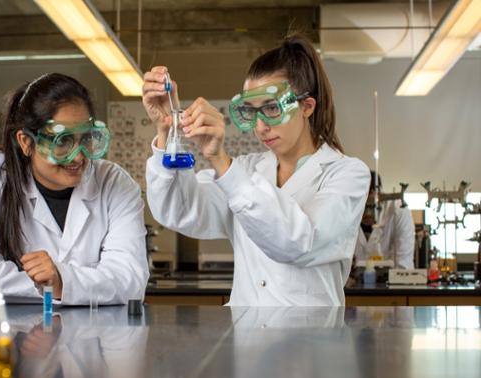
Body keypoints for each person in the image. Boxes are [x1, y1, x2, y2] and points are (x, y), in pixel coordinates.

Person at [142, 35, 370, 306]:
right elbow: (179, 211)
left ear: (307, 107)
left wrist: (222, 161)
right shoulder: (247, 169)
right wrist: (170, 127)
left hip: (312, 341)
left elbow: (298, 243)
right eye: (251, 112)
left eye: (272, 108)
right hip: (247, 338)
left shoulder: (347, 174)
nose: (260, 126)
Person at [0, 73, 149, 305]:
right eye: (62, 141)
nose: (78, 156)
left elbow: (130, 280)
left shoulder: (115, 183)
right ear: (26, 142)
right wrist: (52, 285)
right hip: (16, 333)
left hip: (94, 335)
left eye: (86, 139)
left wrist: (62, 281)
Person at [354, 171, 415, 269]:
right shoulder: (345, 211)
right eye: (363, 206)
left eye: (371, 206)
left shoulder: (398, 210)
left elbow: (404, 262)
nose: (367, 214)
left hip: (388, 279)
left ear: (379, 195)